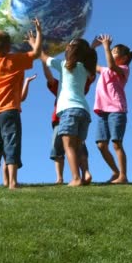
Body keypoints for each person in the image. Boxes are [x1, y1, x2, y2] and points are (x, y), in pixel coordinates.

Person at [0, 19, 42, 189]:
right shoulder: (14, 61)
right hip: (10, 111)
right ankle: (12, 182)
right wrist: (38, 32)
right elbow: (36, 53)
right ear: (9, 48)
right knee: (11, 144)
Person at [40, 38, 97, 187]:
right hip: (84, 111)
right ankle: (85, 174)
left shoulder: (64, 65)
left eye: (69, 46)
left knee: (69, 146)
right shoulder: (86, 69)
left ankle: (76, 178)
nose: (66, 47)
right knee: (78, 146)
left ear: (71, 51)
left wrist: (36, 41)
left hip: (68, 110)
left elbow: (43, 57)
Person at [91, 34, 132, 184]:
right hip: (103, 111)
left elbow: (111, 65)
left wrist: (106, 46)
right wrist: (92, 47)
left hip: (116, 110)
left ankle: (123, 176)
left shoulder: (124, 68)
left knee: (116, 143)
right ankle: (115, 172)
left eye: (115, 51)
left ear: (123, 58)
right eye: (112, 51)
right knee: (101, 145)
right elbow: (91, 64)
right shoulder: (104, 70)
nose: (112, 52)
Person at [1, 74, 37, 186]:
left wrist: (26, 81)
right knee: (11, 148)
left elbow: (21, 97)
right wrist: (26, 81)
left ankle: (4, 181)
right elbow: (21, 98)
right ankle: (11, 182)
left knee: (3, 151)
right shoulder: (10, 83)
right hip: (11, 114)